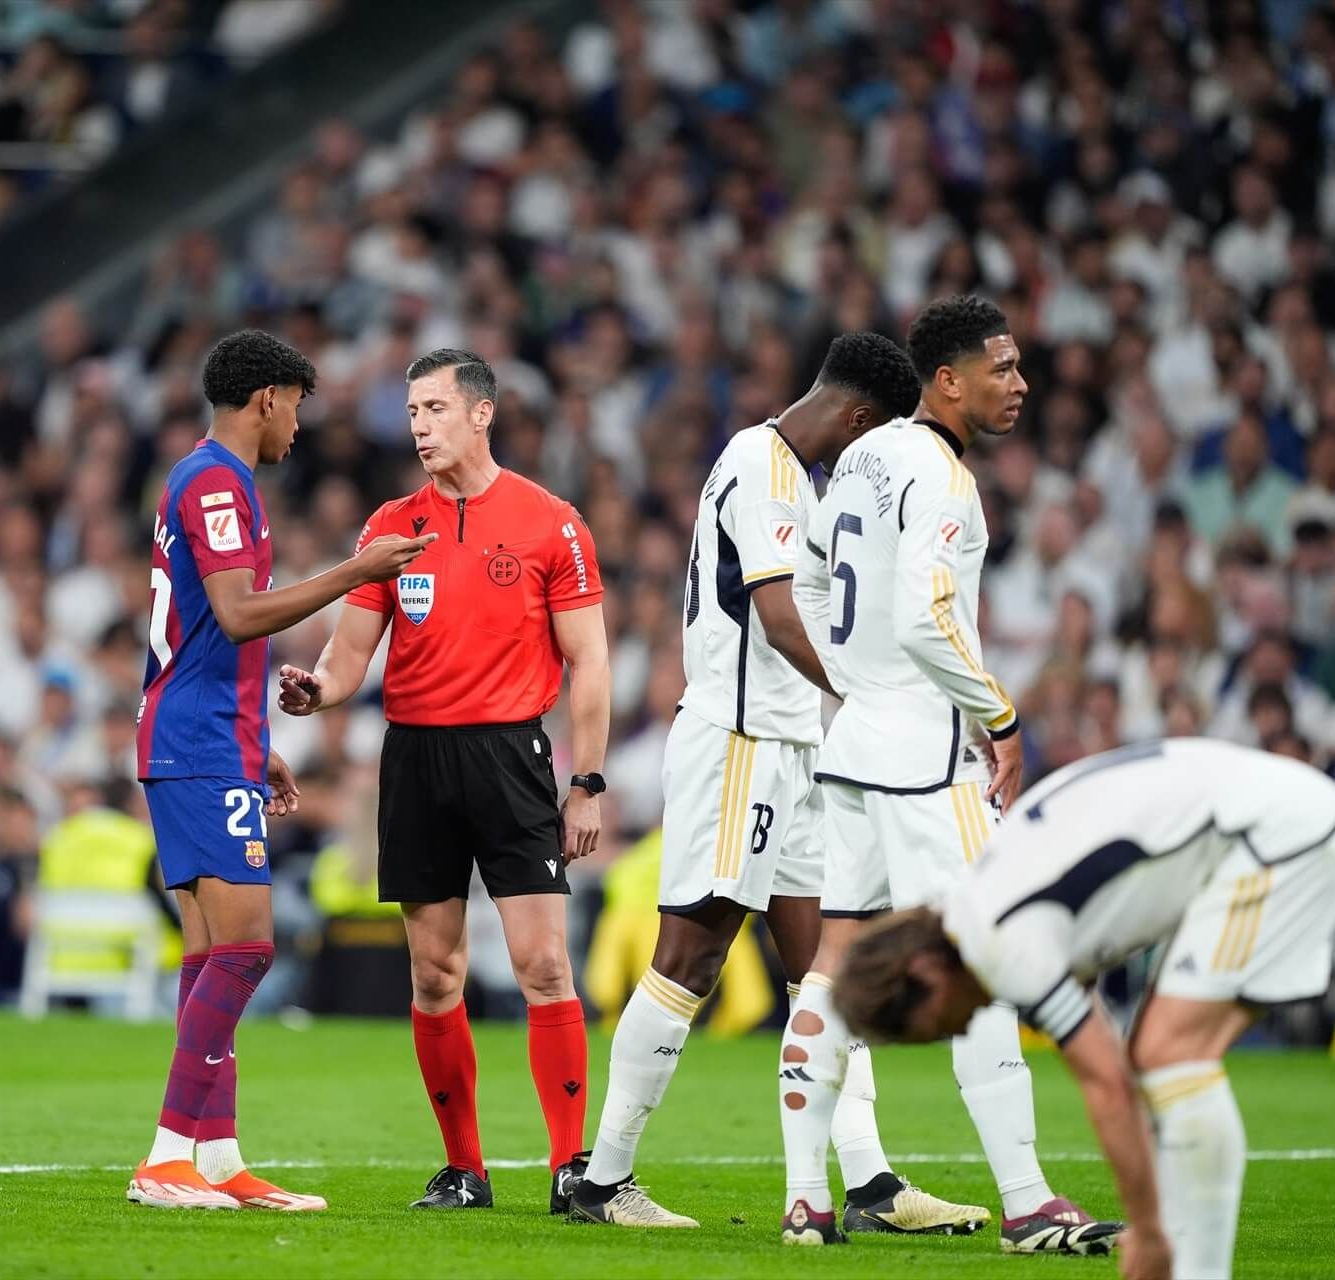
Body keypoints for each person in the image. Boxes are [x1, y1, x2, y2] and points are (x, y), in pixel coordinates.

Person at [572, 333, 982, 1236]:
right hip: (742, 741)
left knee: (825, 969)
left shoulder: (803, 476)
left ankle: (871, 1185)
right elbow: (777, 609)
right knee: (693, 955)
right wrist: (868, 692)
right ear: (863, 416)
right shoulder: (761, 462)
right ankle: (602, 1182)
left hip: (793, 747)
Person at [785, 296, 1117, 1251]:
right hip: (925, 763)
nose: (1019, 384)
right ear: (948, 380)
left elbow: (812, 579)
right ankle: (1025, 1203)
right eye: (1002, 368)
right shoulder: (940, 477)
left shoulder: (861, 456)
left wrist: (859, 685)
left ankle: (808, 1199)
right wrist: (998, 715)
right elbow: (932, 614)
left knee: (832, 969)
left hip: (852, 752)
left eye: (1018, 367)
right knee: (986, 955)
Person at [279, 348, 611, 1214]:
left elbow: (590, 660)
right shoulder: (392, 525)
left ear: (480, 413)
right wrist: (317, 692)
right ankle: (464, 1169)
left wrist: (588, 781)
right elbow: (349, 657)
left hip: (510, 756)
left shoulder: (551, 522)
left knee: (543, 963)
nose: (419, 426)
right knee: (434, 974)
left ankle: (571, 1167)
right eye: (412, 410)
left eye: (433, 408)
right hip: (416, 759)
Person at [833, 739, 1335, 1280]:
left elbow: (1109, 1087)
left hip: (1279, 839)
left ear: (926, 974)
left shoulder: (1005, 943)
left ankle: (1191, 1263)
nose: (949, 1033)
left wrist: (1145, 1232)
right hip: (1263, 811)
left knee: (1172, 1054)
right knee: (1160, 1052)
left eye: (926, 1028)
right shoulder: (981, 895)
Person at [127, 330, 432, 1211]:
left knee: (210, 952)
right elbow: (235, 613)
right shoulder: (217, 481)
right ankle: (165, 1154)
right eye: (298, 402)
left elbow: (205, 635)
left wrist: (258, 749)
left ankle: (215, 1160)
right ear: (265, 398)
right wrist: (355, 571)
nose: (301, 422)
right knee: (251, 947)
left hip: (204, 740)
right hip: (194, 744)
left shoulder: (213, 481)